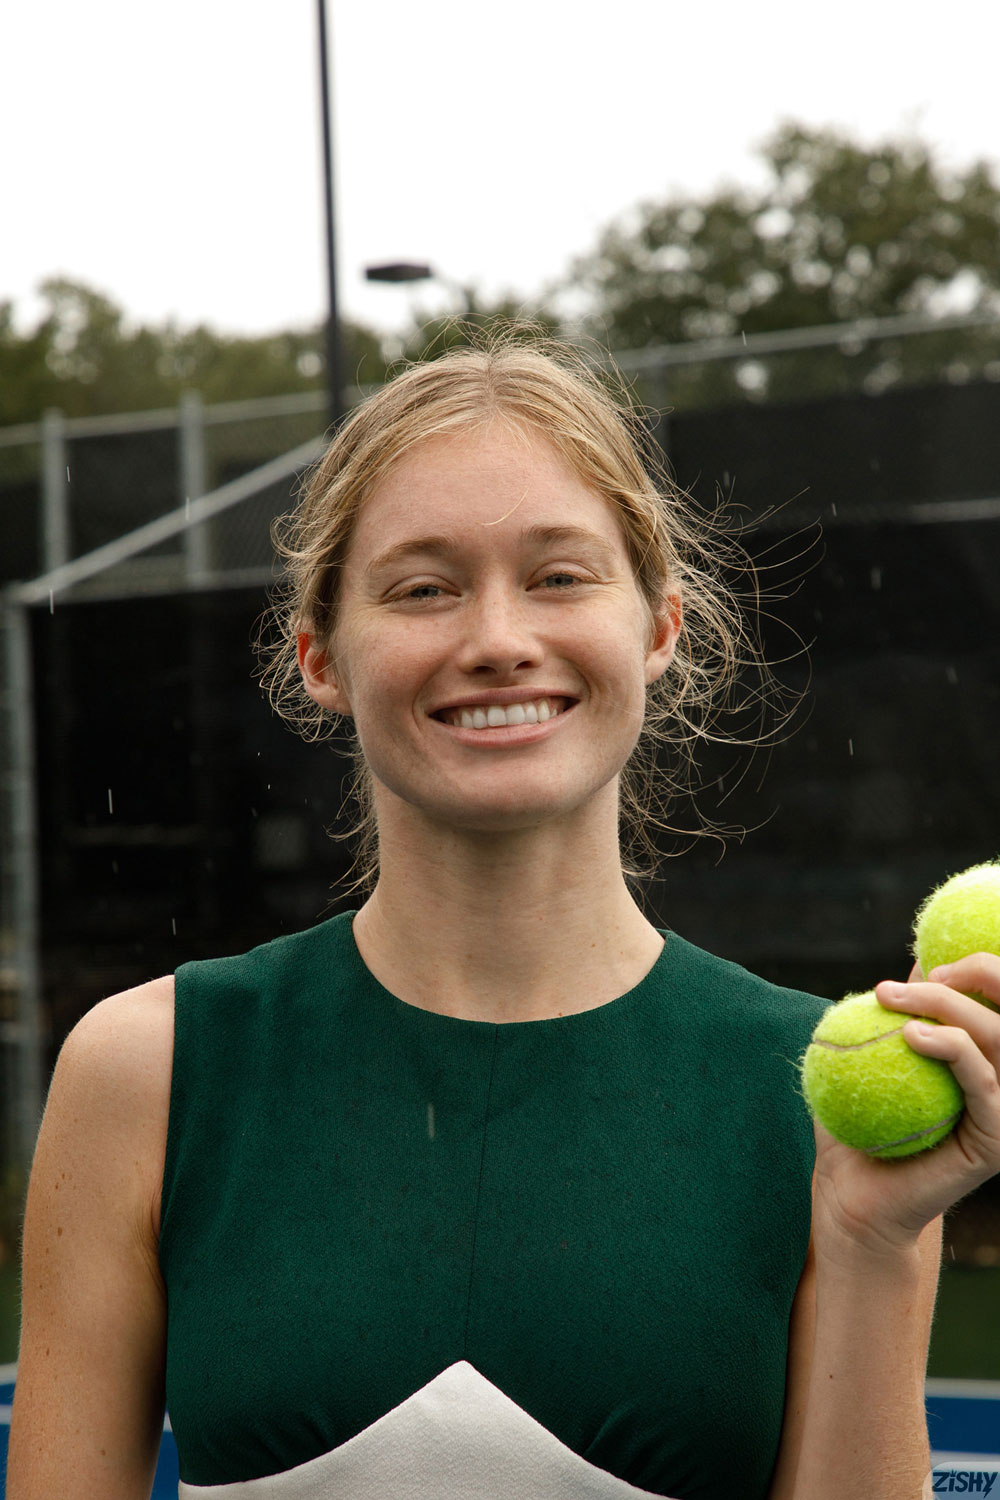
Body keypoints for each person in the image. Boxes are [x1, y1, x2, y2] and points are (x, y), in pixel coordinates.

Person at [8, 333, 1000, 1500]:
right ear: (321, 656)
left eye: (559, 576)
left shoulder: (814, 1098)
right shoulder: (147, 1071)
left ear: (660, 629)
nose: (496, 642)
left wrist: (874, 1243)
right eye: (422, 588)